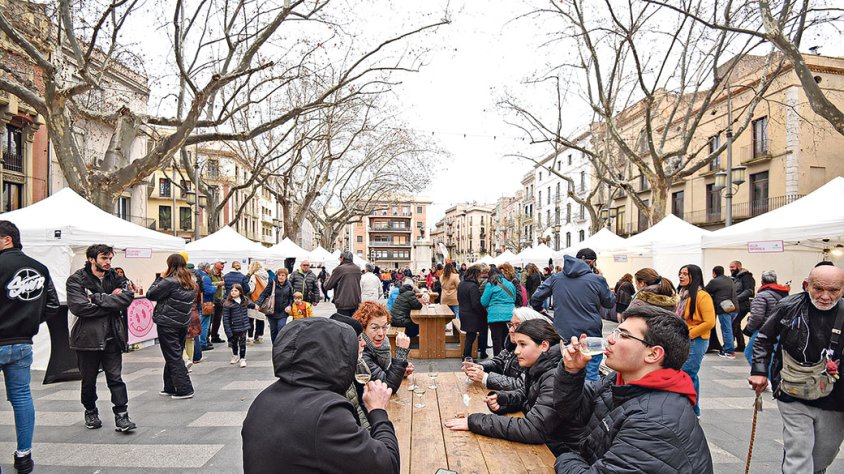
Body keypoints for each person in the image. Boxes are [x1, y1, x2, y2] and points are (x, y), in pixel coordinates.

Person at [554, 307, 713, 473]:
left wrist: (565, 455)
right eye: (616, 331)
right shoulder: (620, 380)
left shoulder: (655, 421)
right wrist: (571, 372)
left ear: (653, 354)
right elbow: (571, 412)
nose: (610, 339)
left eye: (623, 335)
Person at [242, 318, 400, 474]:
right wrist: (378, 410)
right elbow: (388, 466)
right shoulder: (326, 413)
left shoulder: (264, 399)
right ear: (336, 354)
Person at [749, 265, 844, 473]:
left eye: (834, 290)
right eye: (818, 289)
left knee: (822, 457)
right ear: (807, 285)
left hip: (836, 396)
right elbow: (763, 339)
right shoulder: (788, 306)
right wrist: (759, 371)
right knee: (799, 453)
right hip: (793, 389)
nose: (826, 296)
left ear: (842, 289)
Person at [446, 319, 570, 456]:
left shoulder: (555, 376)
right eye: (517, 344)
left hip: (558, 452)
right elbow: (526, 394)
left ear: (544, 346)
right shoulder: (540, 366)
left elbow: (534, 429)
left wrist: (475, 422)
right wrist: (504, 401)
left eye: (522, 345)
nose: (516, 351)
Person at [0, 220, 59, 473]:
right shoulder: (39, 267)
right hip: (22, 342)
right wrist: (30, 320)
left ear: (7, 239)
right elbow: (53, 306)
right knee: (22, 398)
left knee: (22, 397)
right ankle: (24, 455)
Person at [66, 244, 136, 432]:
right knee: (88, 379)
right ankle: (90, 411)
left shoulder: (116, 276)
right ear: (91, 259)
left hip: (112, 335)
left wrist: (96, 297)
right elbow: (79, 307)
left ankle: (122, 416)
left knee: (116, 378)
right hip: (87, 337)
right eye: (104, 258)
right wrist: (110, 301)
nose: (108, 262)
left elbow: (127, 298)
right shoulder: (76, 280)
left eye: (110, 258)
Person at [529, 248, 615, 381]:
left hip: (563, 334)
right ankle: (588, 400)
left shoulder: (556, 278)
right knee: (590, 376)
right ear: (592, 262)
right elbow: (609, 303)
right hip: (590, 334)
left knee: (564, 373)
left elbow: (535, 298)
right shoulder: (596, 279)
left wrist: (540, 310)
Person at [146, 253, 197, 399]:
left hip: (167, 322)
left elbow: (151, 295)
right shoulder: (191, 281)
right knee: (173, 354)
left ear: (170, 264)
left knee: (173, 356)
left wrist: (159, 278)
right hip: (182, 322)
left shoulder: (169, 281)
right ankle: (169, 386)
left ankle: (184, 388)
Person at [463, 307, 549, 391]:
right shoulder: (512, 344)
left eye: (517, 325)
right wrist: (481, 366)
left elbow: (522, 385)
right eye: (510, 325)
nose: (511, 330)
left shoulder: (536, 351)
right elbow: (499, 362)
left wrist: (485, 377)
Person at [676, 264, 716, 417]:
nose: (681, 276)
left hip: (697, 339)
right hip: (683, 338)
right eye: (680, 273)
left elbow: (709, 322)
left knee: (688, 373)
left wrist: (690, 333)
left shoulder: (702, 296)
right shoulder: (682, 294)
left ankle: (693, 411)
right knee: (687, 374)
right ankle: (689, 408)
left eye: (685, 274)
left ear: (695, 276)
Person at [355, 301, 413, 393]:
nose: (381, 334)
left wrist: (400, 371)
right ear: (363, 328)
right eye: (375, 328)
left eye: (384, 327)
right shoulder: (361, 353)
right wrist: (401, 354)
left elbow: (384, 375)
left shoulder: (383, 345)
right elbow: (388, 387)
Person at [742, 270, 789, 366]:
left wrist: (749, 329)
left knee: (750, 353)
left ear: (762, 281)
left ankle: (764, 377)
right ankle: (771, 378)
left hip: (763, 330)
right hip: (779, 330)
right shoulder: (785, 294)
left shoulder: (761, 296)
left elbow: (756, 316)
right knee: (772, 356)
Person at [705, 265, 739, 359]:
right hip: (734, 307)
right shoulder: (729, 280)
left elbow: (705, 291)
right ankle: (728, 348)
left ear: (714, 273)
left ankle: (729, 351)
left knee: (726, 330)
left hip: (724, 308)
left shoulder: (715, 281)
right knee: (729, 329)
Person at [481, 267, 517, 356]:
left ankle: (497, 361)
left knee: (496, 340)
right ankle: (509, 358)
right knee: (509, 338)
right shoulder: (510, 284)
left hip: (495, 315)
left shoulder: (490, 285)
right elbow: (514, 298)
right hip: (510, 314)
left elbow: (484, 302)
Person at [457, 265, 489, 360]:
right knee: (472, 336)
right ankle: (467, 355)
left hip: (463, 312)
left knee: (470, 336)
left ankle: (467, 355)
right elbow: (475, 304)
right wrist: (483, 313)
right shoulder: (473, 286)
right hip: (472, 315)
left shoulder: (461, 284)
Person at [257, 268, 294, 344]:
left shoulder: (289, 284)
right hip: (272, 311)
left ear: (286, 276)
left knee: (281, 328)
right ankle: (275, 345)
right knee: (273, 330)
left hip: (283, 312)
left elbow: (291, 297)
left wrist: (289, 305)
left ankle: (280, 346)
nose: (280, 277)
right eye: (279, 275)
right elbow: (264, 294)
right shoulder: (272, 283)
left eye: (283, 275)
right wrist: (258, 303)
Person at [223, 284, 255, 368]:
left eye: (236, 290)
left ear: (240, 292)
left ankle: (242, 358)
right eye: (232, 290)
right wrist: (228, 331)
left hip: (243, 326)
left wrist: (257, 305)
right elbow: (225, 319)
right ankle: (235, 354)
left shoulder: (244, 300)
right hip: (233, 326)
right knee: (234, 342)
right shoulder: (227, 304)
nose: (233, 292)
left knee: (242, 343)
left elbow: (252, 305)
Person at [324, 251, 362, 316]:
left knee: (344, 324)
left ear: (342, 258)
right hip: (356, 302)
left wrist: (327, 278)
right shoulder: (357, 268)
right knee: (354, 323)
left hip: (343, 302)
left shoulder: (339, 269)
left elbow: (328, 286)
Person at [730, 260, 755, 353]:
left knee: (734, 324)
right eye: (730, 267)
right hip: (737, 305)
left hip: (743, 305)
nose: (731, 269)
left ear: (739, 267)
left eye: (732, 267)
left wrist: (736, 298)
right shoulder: (736, 278)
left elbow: (749, 291)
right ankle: (741, 345)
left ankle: (734, 346)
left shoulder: (747, 277)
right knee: (736, 324)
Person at [196, 263, 218, 351]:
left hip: (196, 303)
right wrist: (215, 287)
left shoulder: (195, 275)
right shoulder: (206, 277)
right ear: (206, 268)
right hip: (206, 303)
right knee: (204, 324)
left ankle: (198, 343)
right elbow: (208, 291)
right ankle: (203, 343)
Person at [246, 261, 268, 344]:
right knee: (260, 319)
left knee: (250, 319)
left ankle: (250, 337)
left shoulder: (254, 277)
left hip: (254, 300)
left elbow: (251, 290)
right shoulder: (266, 276)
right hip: (263, 300)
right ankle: (259, 336)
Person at [209, 259, 227, 344]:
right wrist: (218, 283)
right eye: (221, 263)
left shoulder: (221, 274)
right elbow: (206, 284)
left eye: (223, 264)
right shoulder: (209, 273)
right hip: (211, 299)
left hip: (220, 299)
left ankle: (215, 336)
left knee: (217, 320)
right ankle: (206, 338)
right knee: (210, 320)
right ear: (215, 264)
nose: (223, 265)